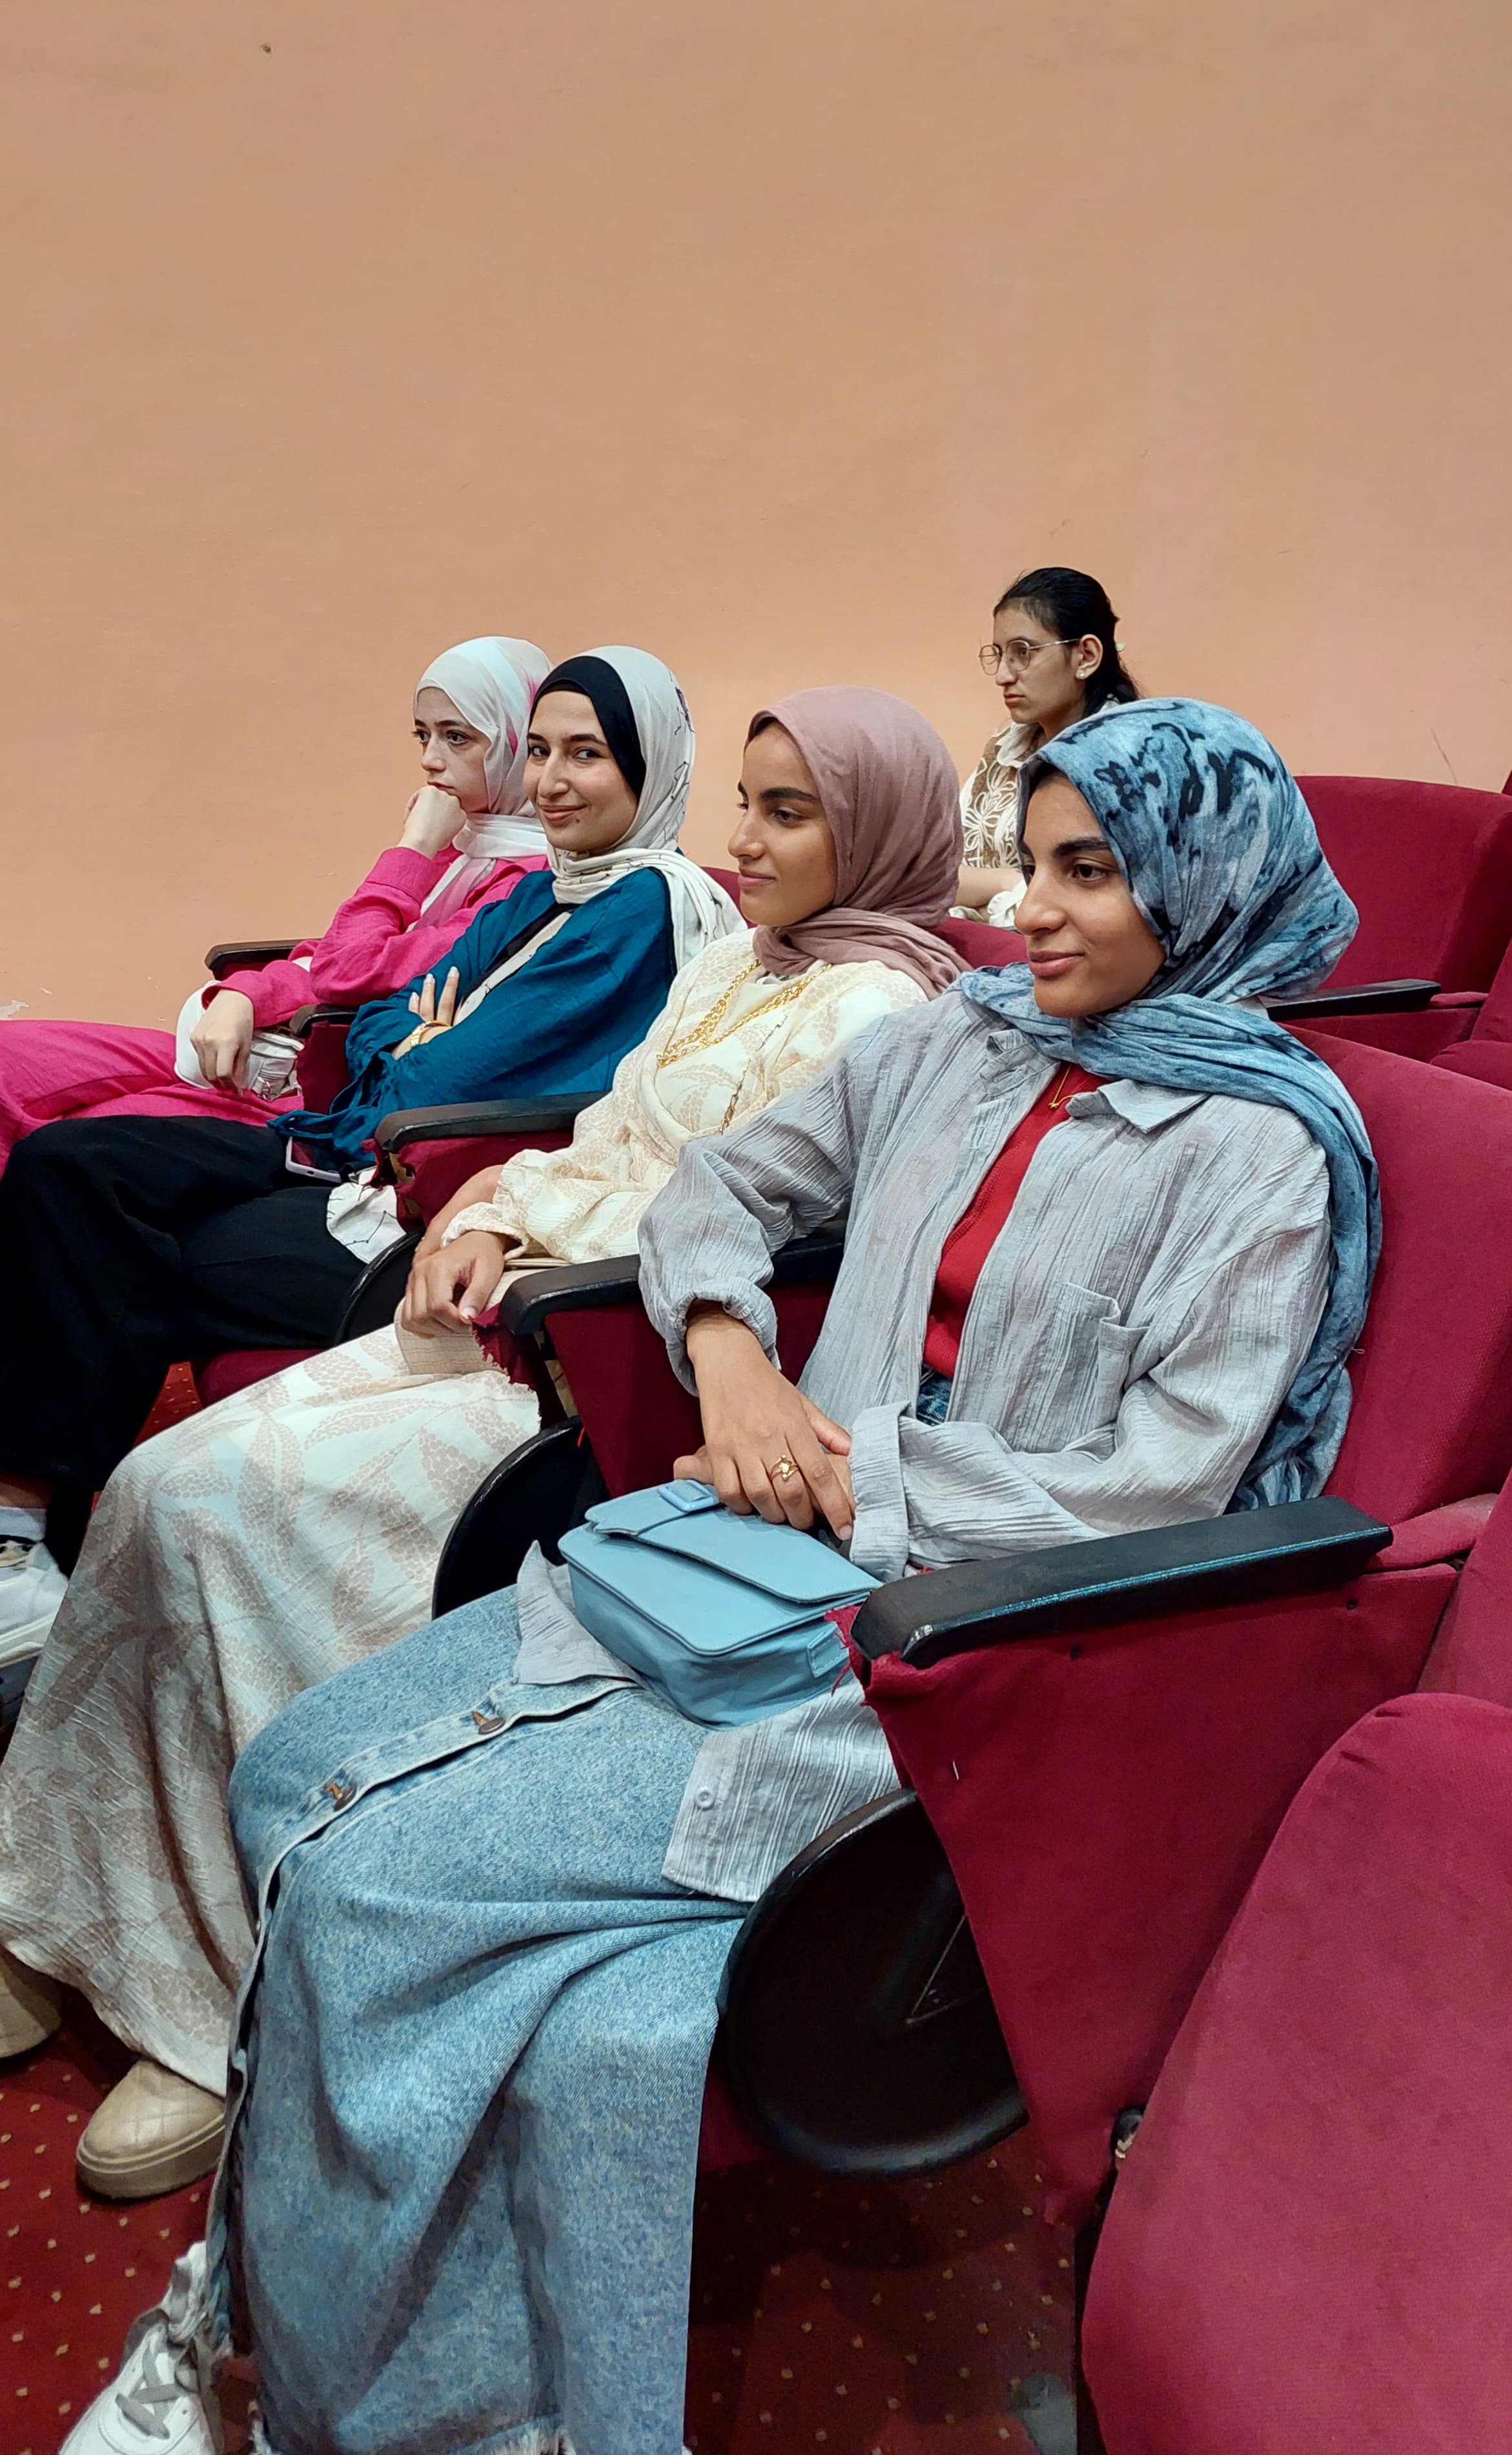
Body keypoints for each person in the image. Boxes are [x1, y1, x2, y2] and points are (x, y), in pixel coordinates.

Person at [62, 697, 1382, 2455]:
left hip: (934, 1658)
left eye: (1091, 874)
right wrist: (729, 1354)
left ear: (1202, 887)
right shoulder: (966, 1036)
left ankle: (333, 2395)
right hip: (730, 1561)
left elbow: (1160, 1485)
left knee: (365, 1883)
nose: (1032, 911)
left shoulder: (1262, 1149)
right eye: (1035, 864)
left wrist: (852, 1481)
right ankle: (358, 2338)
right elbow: (719, 1189)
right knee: (292, 1770)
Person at [0, 686, 963, 2201]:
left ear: (881, 828)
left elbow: (766, 1240)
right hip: (515, 1293)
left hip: (607, 1367)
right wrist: (492, 1206)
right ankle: (67, 1911)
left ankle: (221, 1997)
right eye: (748, 803)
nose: (747, 840)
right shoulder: (744, 961)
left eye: (790, 813)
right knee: (153, 1484)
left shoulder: (884, 1015)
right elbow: (606, 1131)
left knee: (220, 1509)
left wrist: (547, 1260)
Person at [0, 648, 737, 1615]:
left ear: (648, 768)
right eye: (541, 751)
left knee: (114, 1248)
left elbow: (435, 1076)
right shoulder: (546, 890)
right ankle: (25, 1536)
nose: (551, 781)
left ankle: (27, 1551)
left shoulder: (641, 908)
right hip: (341, 1143)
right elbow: (381, 1017)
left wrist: (419, 1036)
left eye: (586, 754)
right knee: (69, 1166)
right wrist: (414, 1032)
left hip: (417, 1197)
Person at [0, 635, 552, 1166]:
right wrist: (245, 994)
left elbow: (351, 968)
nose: (431, 759)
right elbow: (334, 951)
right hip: (267, 1044)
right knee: (10, 1059)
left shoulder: (526, 883)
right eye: (423, 735)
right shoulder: (466, 842)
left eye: (457, 738)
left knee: (61, 1147)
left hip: (318, 1092)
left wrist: (413, 847)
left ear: (515, 745)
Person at [957, 564, 1139, 925]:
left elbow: (1104, 905)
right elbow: (939, 875)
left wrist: (987, 899)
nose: (1003, 675)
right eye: (1000, 654)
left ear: (1086, 656)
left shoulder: (1123, 761)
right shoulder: (1006, 749)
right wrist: (1006, 883)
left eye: (1023, 652)